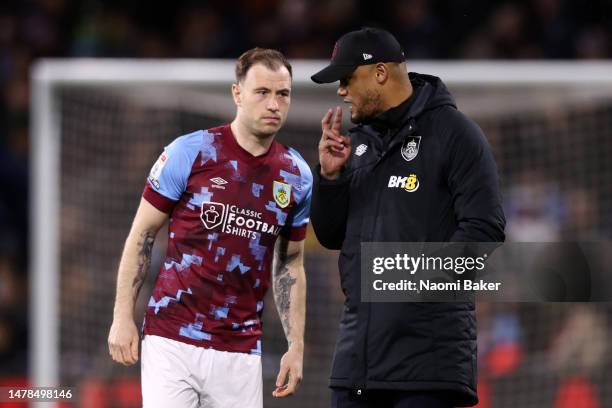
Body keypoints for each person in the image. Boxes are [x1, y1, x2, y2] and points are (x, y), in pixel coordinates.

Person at [310, 27, 505, 407]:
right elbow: (332, 235)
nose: (340, 90)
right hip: (358, 358)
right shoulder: (359, 143)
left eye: (347, 79)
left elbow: (485, 229)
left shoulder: (455, 134)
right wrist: (330, 177)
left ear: (380, 73)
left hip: (428, 362)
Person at [108, 48, 312, 408]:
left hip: (240, 349)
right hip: (172, 338)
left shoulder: (296, 175)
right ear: (237, 94)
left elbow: (291, 264)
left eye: (283, 94)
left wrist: (296, 346)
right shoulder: (191, 152)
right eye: (262, 92)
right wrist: (122, 317)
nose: (274, 104)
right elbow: (142, 235)